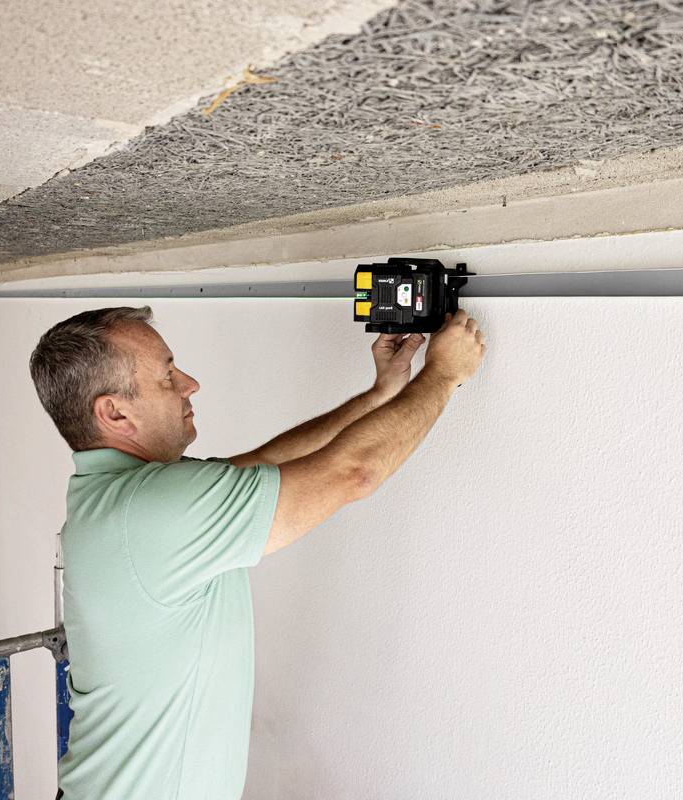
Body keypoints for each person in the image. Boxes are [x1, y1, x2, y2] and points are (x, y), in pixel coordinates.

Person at [28, 305, 485, 800]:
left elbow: (266, 462)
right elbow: (352, 473)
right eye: (167, 376)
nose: (190, 383)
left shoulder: (122, 496)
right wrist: (443, 374)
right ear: (115, 412)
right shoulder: (154, 511)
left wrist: (380, 396)